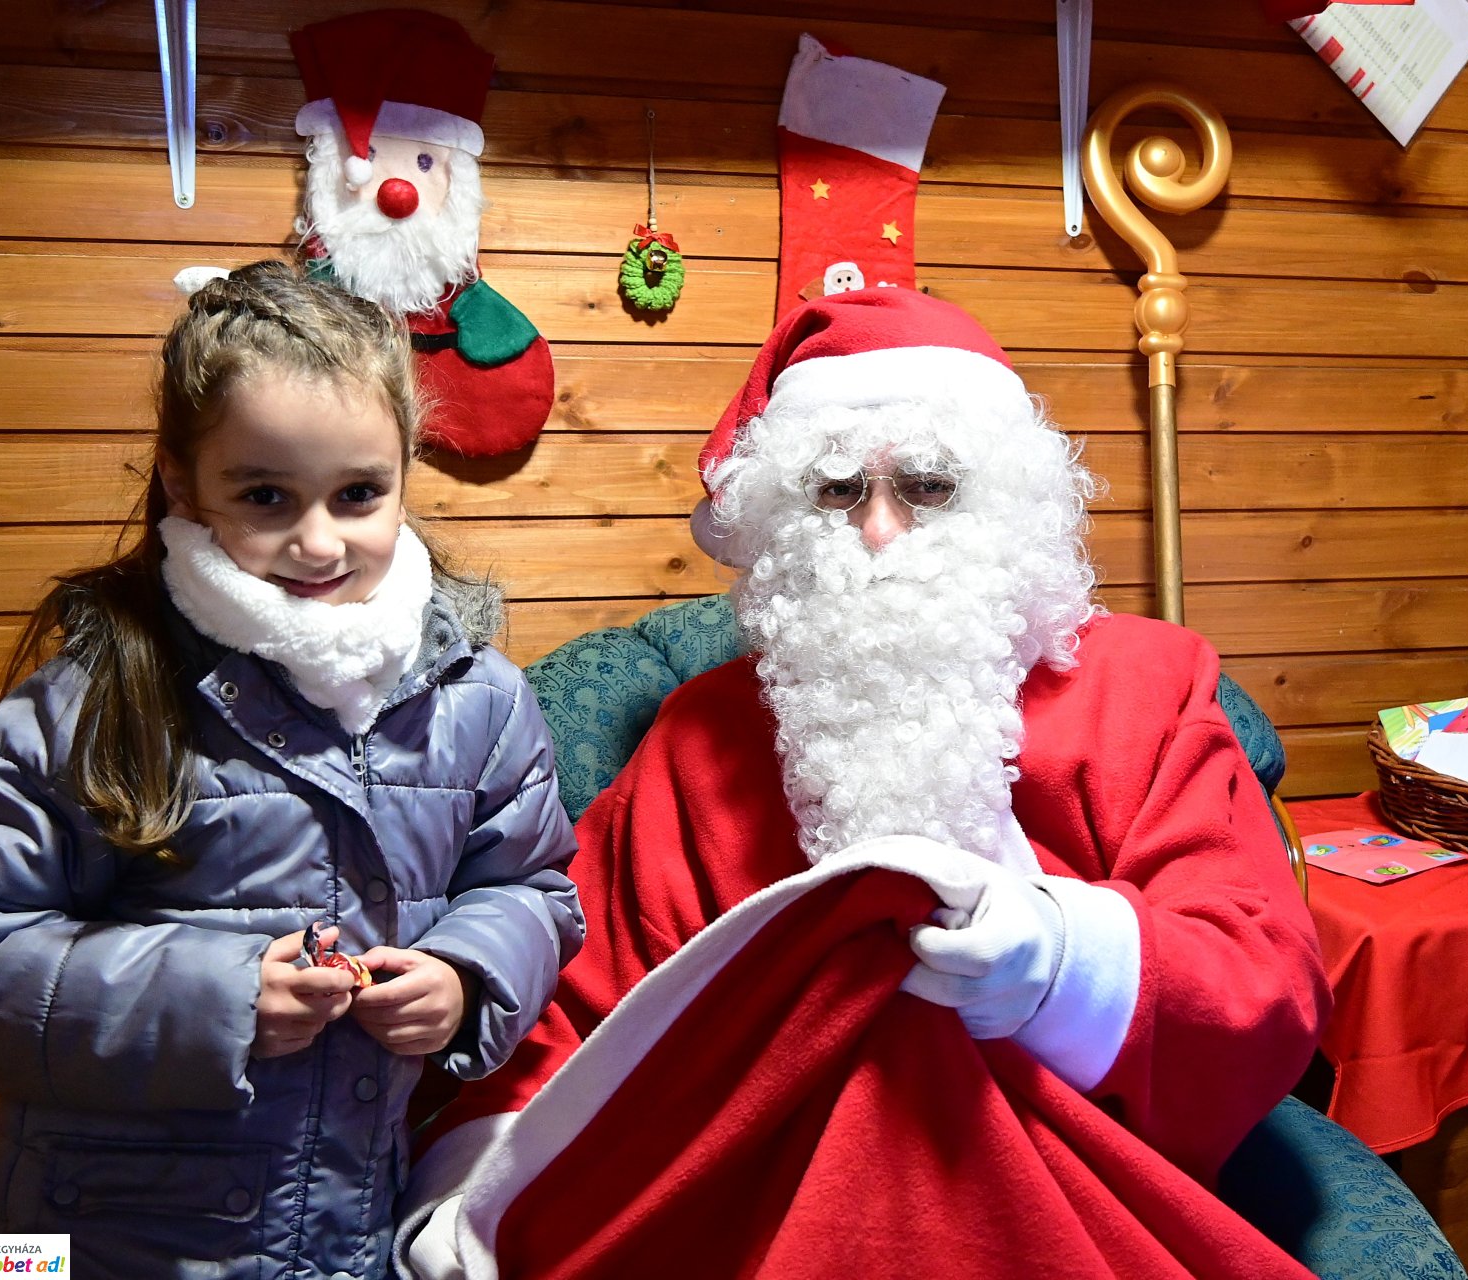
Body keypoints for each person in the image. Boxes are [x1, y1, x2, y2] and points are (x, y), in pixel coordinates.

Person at [399, 288, 1329, 1278]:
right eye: (837, 492)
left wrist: (1061, 959)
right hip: (765, 1213)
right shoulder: (702, 736)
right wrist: (478, 1187)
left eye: (927, 486)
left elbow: (1264, 981)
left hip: (1075, 1197)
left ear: (1007, 500)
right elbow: (579, 1010)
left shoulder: (1146, 687)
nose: (880, 530)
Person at [0, 261, 583, 1278]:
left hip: (356, 1224)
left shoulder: (479, 696)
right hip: (107, 1237)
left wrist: (466, 974)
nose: (318, 541)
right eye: (267, 494)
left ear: (407, 469)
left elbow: (531, 885)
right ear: (187, 480)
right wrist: (213, 997)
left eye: (359, 493)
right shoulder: (101, 691)